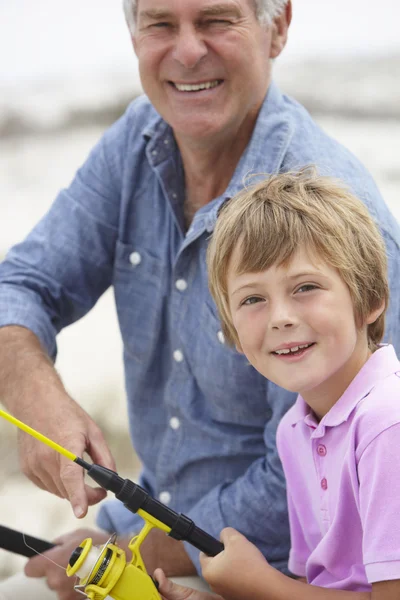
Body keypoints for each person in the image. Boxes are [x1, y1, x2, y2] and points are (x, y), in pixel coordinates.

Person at [0, 0, 399, 598]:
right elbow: (23, 283)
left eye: (216, 19)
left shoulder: (337, 219)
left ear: (279, 26)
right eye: (161, 23)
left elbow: (299, 490)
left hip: (258, 565)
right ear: (133, 34)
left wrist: (135, 551)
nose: (187, 51)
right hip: (154, 524)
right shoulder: (136, 139)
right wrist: (32, 393)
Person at [155, 168, 400, 599]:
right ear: (230, 329)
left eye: (305, 287)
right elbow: (318, 586)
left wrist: (262, 585)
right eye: (252, 299)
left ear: (372, 300)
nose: (280, 317)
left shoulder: (387, 424)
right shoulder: (294, 430)